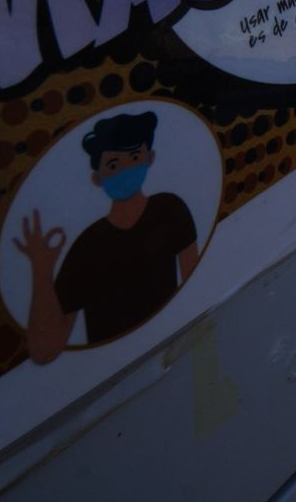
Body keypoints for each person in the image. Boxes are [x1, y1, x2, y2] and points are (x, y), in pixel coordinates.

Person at [13, 112, 200, 363]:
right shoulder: (86, 247)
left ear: (150, 157)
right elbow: (45, 350)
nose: (127, 169)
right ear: (96, 178)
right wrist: (41, 270)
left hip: (179, 346)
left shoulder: (170, 210)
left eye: (135, 157)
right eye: (113, 165)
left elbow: (195, 284)